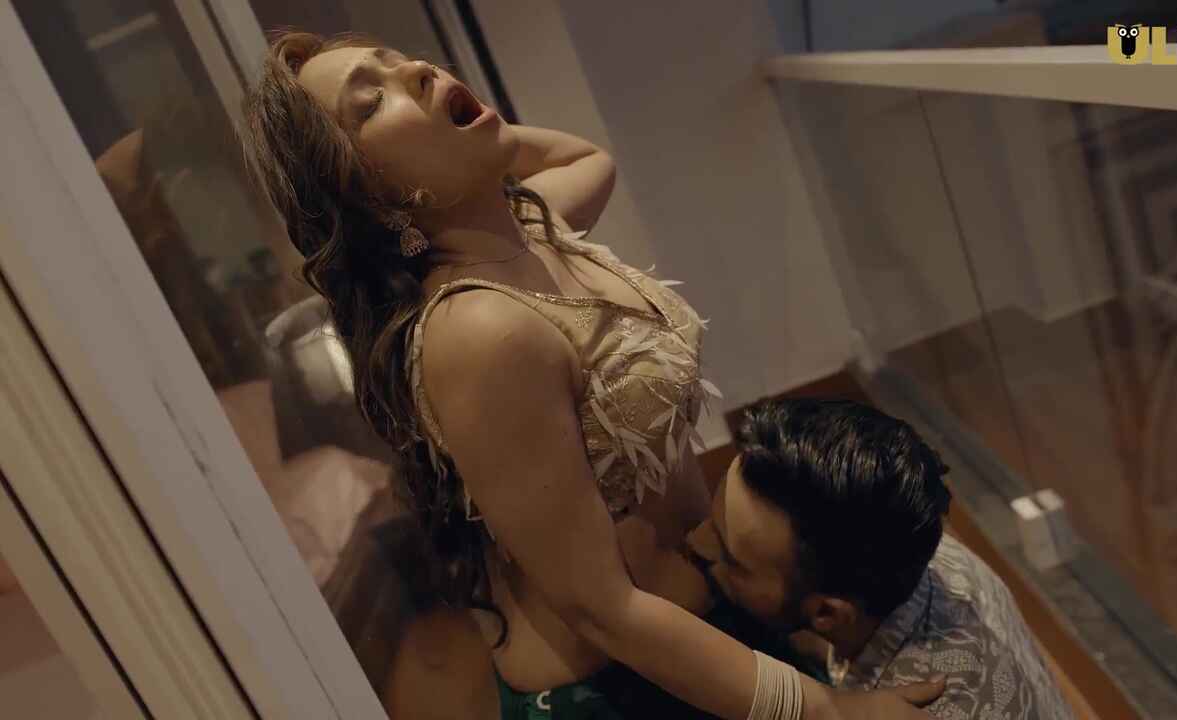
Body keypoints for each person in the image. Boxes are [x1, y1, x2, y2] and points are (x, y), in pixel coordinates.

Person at [242, 31, 945, 719]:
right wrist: (828, 711)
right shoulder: (479, 332)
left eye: (399, 60)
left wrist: (481, 137)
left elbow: (588, 157)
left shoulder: (530, 231)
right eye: (372, 100)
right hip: (625, 681)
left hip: (701, 618)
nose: (419, 71)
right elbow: (602, 608)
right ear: (372, 199)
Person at [687, 399, 1074, 719]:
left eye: (731, 558)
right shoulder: (923, 549)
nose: (695, 542)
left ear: (827, 614)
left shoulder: (919, 705)